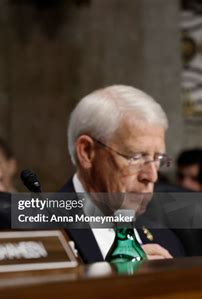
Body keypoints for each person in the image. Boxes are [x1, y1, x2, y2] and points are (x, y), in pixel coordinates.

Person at [61, 85, 185, 263]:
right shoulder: (39, 233)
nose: (151, 176)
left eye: (157, 158)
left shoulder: (165, 237)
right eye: (135, 157)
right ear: (87, 152)